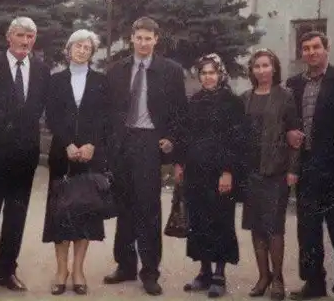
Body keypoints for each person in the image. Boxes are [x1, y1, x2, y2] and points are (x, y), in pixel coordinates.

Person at [104, 16, 188, 296]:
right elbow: (108, 111)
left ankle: (150, 271)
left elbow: (180, 111)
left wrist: (171, 138)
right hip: (122, 143)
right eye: (139, 38)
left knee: (148, 208)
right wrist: (110, 144)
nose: (143, 43)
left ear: (156, 40)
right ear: (132, 38)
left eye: (148, 39)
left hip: (150, 143)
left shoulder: (171, 71)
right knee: (124, 206)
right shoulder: (116, 70)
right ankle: (125, 265)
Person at [285, 31, 334, 301]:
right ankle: (314, 283)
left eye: (316, 47)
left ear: (326, 48)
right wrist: (290, 134)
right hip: (307, 165)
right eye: (306, 48)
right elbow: (289, 120)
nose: (311, 52)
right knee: (308, 231)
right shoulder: (294, 83)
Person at [0, 17, 50, 294]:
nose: (25, 41)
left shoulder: (41, 70)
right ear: (9, 37)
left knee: (17, 215)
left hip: (25, 155)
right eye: (20, 35)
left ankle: (7, 271)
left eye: (30, 37)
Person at [42, 29, 111, 296]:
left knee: (85, 211)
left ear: (92, 53)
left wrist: (92, 144)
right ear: (68, 49)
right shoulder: (56, 80)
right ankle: (61, 271)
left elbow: (105, 118)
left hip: (91, 156)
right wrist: (68, 143)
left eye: (87, 47)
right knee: (60, 212)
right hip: (63, 155)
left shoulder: (101, 81)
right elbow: (52, 116)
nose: (82, 51)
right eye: (77, 46)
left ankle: (79, 270)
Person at [174, 53, 246, 298]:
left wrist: (227, 171)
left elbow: (236, 140)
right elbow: (184, 135)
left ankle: (219, 274)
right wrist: (180, 163)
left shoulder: (232, 102)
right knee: (198, 221)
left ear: (220, 74)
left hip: (220, 172)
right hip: (196, 171)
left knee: (221, 220)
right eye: (203, 73)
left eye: (212, 72)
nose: (208, 77)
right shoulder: (194, 101)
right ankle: (204, 271)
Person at [241, 49, 300, 301]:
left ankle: (278, 279)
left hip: (276, 172)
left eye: (266, 65)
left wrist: (293, 169)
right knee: (256, 226)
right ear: (252, 70)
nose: (261, 70)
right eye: (257, 66)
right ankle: (263, 277)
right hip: (251, 171)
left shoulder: (285, 96)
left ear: (274, 68)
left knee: (274, 228)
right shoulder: (245, 97)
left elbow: (295, 135)